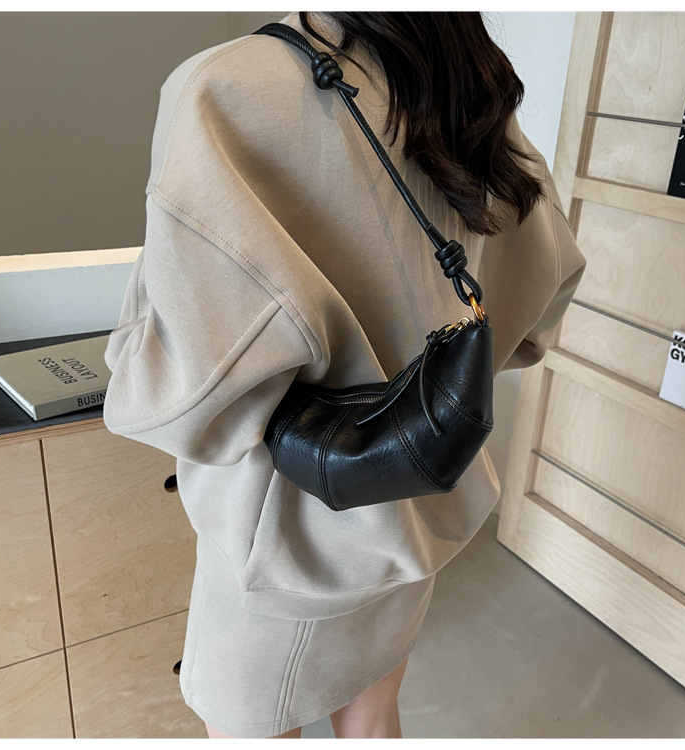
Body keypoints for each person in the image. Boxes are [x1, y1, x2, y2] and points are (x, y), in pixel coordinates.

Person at [102, 11, 585, 739]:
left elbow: (190, 399)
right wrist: (431, 380)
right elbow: (545, 289)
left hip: (288, 548)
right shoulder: (466, 83)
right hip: (419, 509)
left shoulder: (222, 92)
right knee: (372, 719)